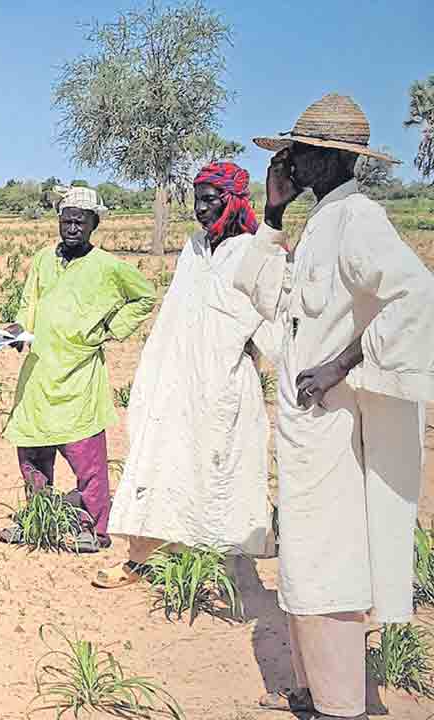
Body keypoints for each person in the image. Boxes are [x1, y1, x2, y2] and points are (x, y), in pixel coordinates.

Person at [235, 93, 434, 720]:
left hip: (334, 429)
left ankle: (340, 704)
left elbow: (416, 296)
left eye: (301, 152)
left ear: (333, 159)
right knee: (306, 559)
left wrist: (340, 365)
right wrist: (272, 214)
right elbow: (263, 295)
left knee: (327, 562)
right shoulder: (321, 221)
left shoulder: (359, 220)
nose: (289, 161)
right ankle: (316, 691)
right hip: (305, 431)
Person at [95, 161, 277, 589]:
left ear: (232, 201)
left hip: (223, 383)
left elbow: (272, 325)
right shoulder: (193, 247)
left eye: (210, 200)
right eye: (197, 200)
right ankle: (140, 560)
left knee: (217, 470)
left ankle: (216, 570)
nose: (201, 209)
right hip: (173, 377)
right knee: (160, 464)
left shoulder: (255, 253)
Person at [0, 186, 156, 553]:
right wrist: (19, 329)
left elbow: (145, 296)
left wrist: (109, 329)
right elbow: (28, 303)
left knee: (87, 460)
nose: (72, 228)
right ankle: (38, 517)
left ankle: (93, 527)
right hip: (39, 373)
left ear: (93, 225)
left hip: (80, 372)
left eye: (80, 222)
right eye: (66, 221)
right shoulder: (43, 260)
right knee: (32, 451)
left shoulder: (108, 266)